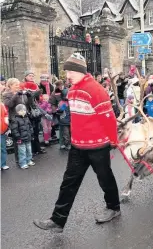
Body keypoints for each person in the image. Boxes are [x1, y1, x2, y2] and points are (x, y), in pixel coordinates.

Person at [33, 53, 120, 232]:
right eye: (67, 71)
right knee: (69, 182)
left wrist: (113, 140)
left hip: (98, 146)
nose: (68, 75)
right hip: (78, 146)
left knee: (105, 179)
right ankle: (57, 220)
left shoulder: (95, 89)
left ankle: (113, 207)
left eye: (71, 71)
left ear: (81, 71)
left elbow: (108, 118)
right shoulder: (72, 90)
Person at [10, 104, 35, 169]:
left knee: (29, 150)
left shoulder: (27, 118)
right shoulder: (15, 119)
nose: (23, 111)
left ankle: (29, 160)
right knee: (22, 152)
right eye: (21, 110)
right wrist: (18, 137)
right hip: (20, 139)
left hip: (28, 137)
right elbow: (14, 130)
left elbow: (30, 126)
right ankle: (23, 163)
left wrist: (31, 134)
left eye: (24, 110)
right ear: (17, 111)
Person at [1, 101, 9, 170]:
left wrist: (6, 123)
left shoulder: (2, 105)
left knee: (3, 148)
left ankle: (3, 164)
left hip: (2, 131)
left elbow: (6, 114)